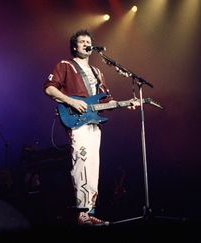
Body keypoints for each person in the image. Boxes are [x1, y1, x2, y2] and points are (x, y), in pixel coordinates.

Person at [43, 29, 137, 226]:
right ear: (75, 46)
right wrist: (71, 101)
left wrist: (126, 103)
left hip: (94, 123)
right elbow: (49, 88)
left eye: (89, 41)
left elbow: (106, 100)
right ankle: (81, 213)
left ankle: (90, 212)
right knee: (81, 162)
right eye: (82, 41)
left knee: (93, 166)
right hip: (77, 120)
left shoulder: (98, 72)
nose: (86, 43)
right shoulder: (65, 65)